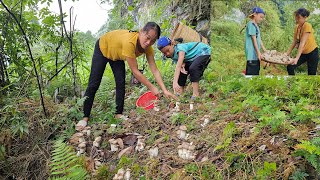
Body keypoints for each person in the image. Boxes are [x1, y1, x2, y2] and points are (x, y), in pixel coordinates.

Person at [76, 22, 176, 131]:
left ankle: (118, 114)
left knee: (121, 83)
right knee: (93, 84)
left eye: (152, 41)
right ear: (141, 31)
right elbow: (135, 71)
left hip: (118, 55)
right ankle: (85, 117)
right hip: (103, 47)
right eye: (147, 38)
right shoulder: (130, 42)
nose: (148, 43)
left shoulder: (148, 48)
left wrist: (164, 90)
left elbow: (154, 69)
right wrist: (152, 87)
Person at [286, 8, 318, 75]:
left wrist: (296, 58)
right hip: (303, 53)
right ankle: (293, 83)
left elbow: (302, 43)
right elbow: (294, 41)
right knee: (290, 67)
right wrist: (287, 53)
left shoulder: (307, 25)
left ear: (305, 17)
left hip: (312, 52)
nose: (296, 19)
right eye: (296, 17)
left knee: (311, 74)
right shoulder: (297, 27)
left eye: (299, 18)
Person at [244, 7, 267, 75]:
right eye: (260, 17)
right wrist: (259, 53)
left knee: (256, 71)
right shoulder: (251, 24)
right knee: (251, 73)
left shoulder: (256, 26)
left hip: (256, 54)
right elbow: (254, 40)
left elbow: (258, 39)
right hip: (252, 54)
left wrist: (264, 49)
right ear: (255, 15)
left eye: (262, 18)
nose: (261, 19)